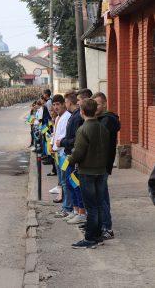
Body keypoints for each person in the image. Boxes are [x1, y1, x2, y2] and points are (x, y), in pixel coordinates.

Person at [68, 99, 110, 249]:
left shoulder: (83, 129)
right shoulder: (103, 128)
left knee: (90, 206)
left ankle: (90, 238)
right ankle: (98, 236)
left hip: (87, 172)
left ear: (82, 112)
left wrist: (70, 159)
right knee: (98, 204)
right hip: (101, 170)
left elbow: (78, 153)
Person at [92, 92, 121, 240]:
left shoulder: (108, 120)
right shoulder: (98, 119)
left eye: (97, 104)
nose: (95, 107)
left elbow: (97, 139)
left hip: (102, 164)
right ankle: (100, 225)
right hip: (96, 164)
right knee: (98, 196)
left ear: (104, 104)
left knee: (102, 196)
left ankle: (107, 227)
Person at [58, 90, 87, 224]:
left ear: (69, 102)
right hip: (69, 154)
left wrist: (63, 142)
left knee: (75, 185)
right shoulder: (73, 115)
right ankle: (75, 210)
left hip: (73, 155)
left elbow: (76, 139)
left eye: (65, 101)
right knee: (70, 184)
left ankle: (81, 212)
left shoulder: (76, 117)